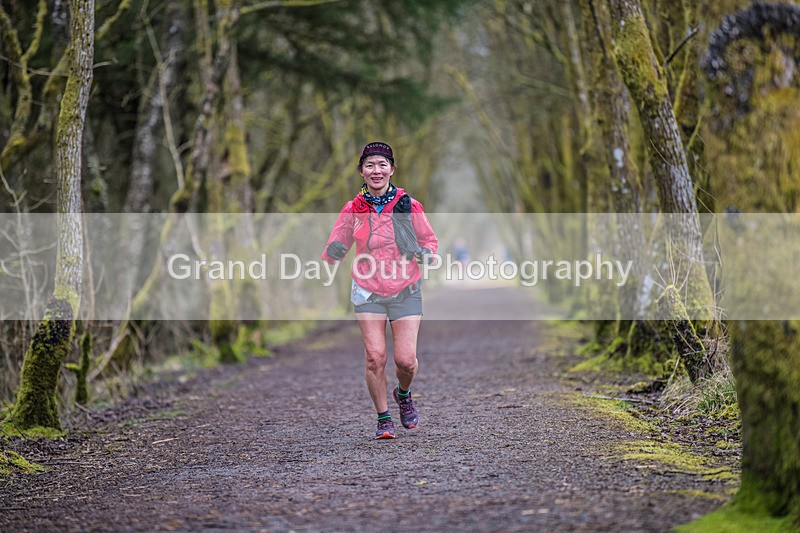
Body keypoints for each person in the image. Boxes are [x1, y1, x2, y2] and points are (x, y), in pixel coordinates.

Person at [322, 141, 438, 440]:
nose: (376, 170)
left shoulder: (409, 204)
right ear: (361, 171)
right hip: (367, 289)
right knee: (375, 357)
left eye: (382, 164)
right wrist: (333, 251)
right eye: (370, 165)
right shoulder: (352, 208)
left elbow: (429, 239)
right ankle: (383, 417)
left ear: (392, 169)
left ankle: (404, 393)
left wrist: (426, 252)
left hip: (405, 287)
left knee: (405, 360)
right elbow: (337, 243)